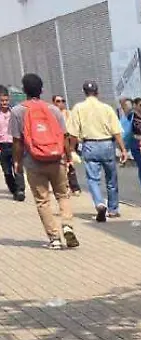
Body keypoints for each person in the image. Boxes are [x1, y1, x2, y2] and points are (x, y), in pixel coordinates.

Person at [8, 73, 77, 249]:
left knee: (42, 200)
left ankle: (54, 238)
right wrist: (68, 158)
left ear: (24, 90)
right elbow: (64, 137)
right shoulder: (54, 110)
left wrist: (17, 162)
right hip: (57, 159)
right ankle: (67, 225)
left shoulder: (17, 111)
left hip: (33, 161)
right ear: (42, 89)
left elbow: (17, 141)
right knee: (63, 195)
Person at [67, 80, 131, 222]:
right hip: (107, 144)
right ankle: (113, 209)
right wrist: (123, 150)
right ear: (97, 92)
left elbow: (72, 133)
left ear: (84, 92)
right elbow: (116, 131)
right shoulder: (106, 108)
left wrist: (71, 149)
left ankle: (99, 203)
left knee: (93, 179)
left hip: (90, 144)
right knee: (111, 178)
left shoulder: (78, 108)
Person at [51, 95, 81, 194]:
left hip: (69, 140)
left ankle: (74, 187)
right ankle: (65, 186)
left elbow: (76, 126)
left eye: (63, 101)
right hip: (58, 141)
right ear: (54, 103)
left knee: (70, 163)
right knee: (62, 164)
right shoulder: (52, 114)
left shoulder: (69, 113)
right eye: (58, 101)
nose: (61, 103)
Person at [0, 86, 24, 202]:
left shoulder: (13, 113)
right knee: (7, 171)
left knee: (17, 167)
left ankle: (20, 190)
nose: (4, 103)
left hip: (14, 144)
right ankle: (14, 189)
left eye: (6, 100)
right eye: (2, 101)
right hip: (2, 146)